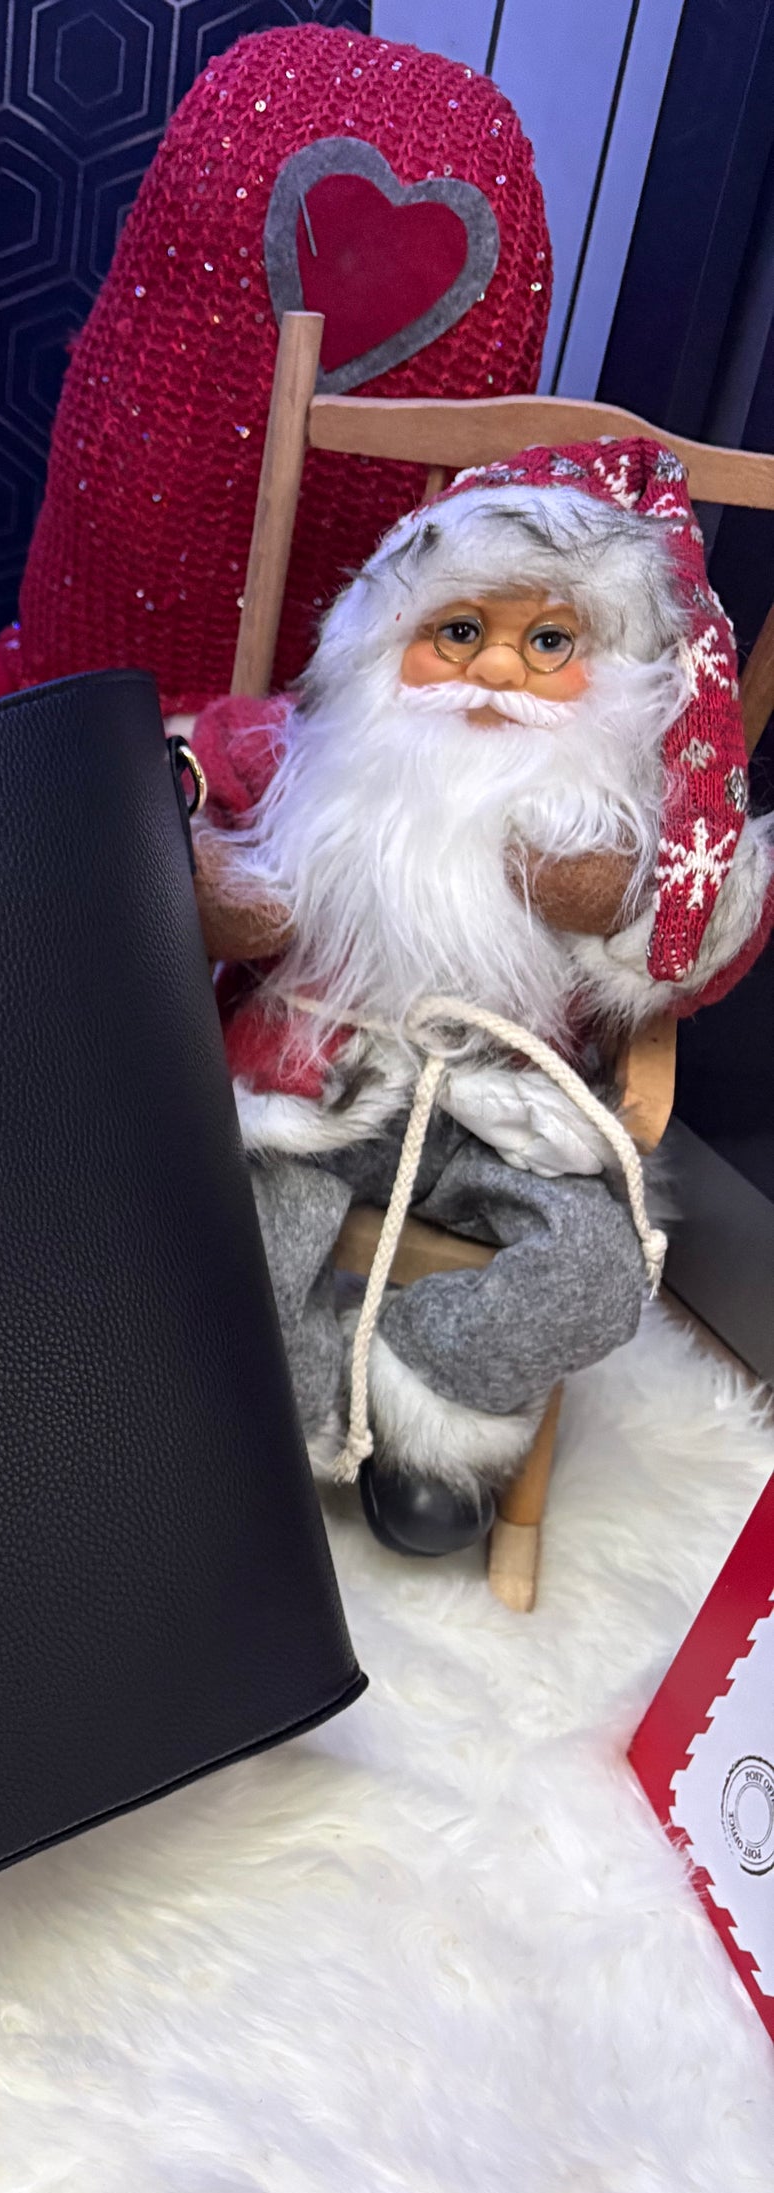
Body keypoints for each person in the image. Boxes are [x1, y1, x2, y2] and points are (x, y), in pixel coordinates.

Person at [188, 439, 771, 1555]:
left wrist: (618, 907)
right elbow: (171, 806)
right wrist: (213, 879)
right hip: (304, 1082)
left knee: (595, 1274)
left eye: (548, 642)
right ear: (382, 644)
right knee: (232, 1231)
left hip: (505, 1111)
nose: (497, 669)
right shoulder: (301, 757)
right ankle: (280, 1424)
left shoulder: (635, 829)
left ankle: (425, 1408)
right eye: (458, 632)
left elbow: (706, 939)